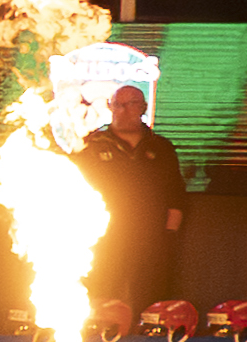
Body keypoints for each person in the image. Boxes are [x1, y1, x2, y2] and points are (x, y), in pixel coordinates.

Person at [80, 82, 187, 316]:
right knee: (101, 292)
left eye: (132, 104)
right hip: (103, 236)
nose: (124, 110)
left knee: (152, 296)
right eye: (118, 104)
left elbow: (175, 195)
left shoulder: (160, 147)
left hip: (150, 236)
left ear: (144, 107)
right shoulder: (91, 145)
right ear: (109, 107)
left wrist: (169, 236)